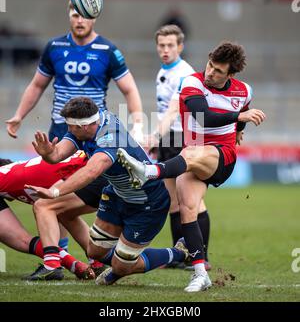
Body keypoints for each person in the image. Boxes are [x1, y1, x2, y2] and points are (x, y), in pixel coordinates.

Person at [117, 41, 266, 292]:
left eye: (218, 71)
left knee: (194, 152)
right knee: (187, 209)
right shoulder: (192, 82)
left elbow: (243, 109)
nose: (210, 73)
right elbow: (203, 117)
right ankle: (199, 273)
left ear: (230, 74)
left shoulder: (244, 91)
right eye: (210, 66)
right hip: (193, 156)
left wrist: (239, 129)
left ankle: (150, 171)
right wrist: (238, 119)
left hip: (222, 157)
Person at [6, 0, 144, 251]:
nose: (79, 20)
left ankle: (69, 255)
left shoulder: (107, 50)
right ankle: (61, 254)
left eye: (85, 16)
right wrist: (19, 115)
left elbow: (129, 88)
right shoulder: (54, 46)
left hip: (91, 136)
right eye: (74, 14)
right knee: (52, 196)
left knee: (64, 198)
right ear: (68, 15)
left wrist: (138, 125)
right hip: (60, 133)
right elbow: (37, 85)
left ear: (94, 18)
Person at [26, 96, 189, 284]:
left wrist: (55, 192)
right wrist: (48, 154)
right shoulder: (87, 125)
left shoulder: (110, 137)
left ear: (84, 126)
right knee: (94, 251)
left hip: (147, 202)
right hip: (117, 195)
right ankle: (120, 262)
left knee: (121, 267)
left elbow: (91, 172)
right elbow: (57, 154)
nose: (68, 130)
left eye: (71, 127)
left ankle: (179, 252)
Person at [147, 24, 210, 269]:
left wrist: (154, 135)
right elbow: (165, 111)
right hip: (169, 139)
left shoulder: (184, 73)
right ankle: (180, 256)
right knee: (173, 201)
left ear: (180, 46)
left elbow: (174, 111)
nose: (165, 50)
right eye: (161, 45)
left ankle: (202, 257)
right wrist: (159, 140)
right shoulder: (163, 71)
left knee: (192, 201)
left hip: (186, 139)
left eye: (170, 45)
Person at [0, 156, 96, 280]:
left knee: (42, 207)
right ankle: (94, 263)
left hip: (88, 173)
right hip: (93, 171)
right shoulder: (20, 171)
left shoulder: (5, 177)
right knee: (62, 213)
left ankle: (52, 265)